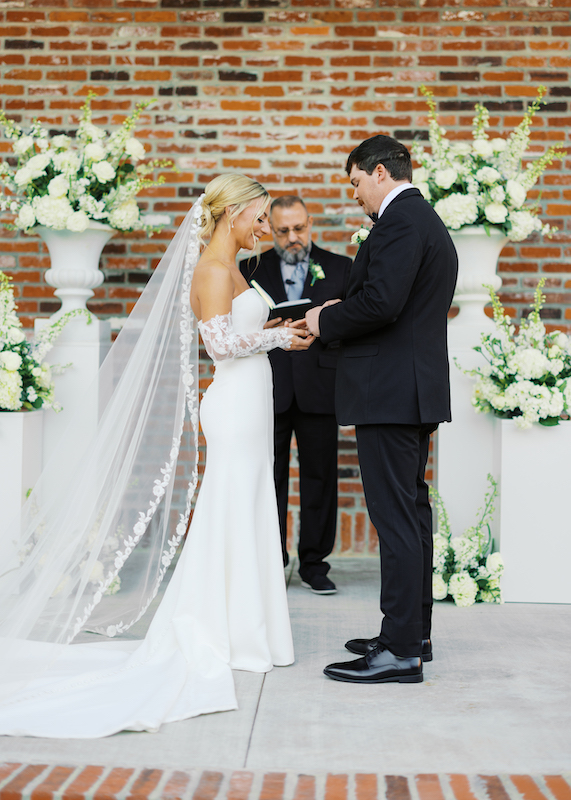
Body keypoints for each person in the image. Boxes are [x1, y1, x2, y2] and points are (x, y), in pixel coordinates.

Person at [0, 174, 313, 738]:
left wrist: (274, 327)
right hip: (234, 405)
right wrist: (278, 340)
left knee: (247, 506)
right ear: (232, 214)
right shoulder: (213, 270)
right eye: (260, 217)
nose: (265, 228)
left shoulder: (236, 270)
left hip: (250, 403)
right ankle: (229, 630)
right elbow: (218, 345)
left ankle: (250, 628)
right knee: (231, 505)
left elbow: (236, 329)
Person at [300, 134, 458, 685]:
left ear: (380, 173)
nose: (356, 195)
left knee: (396, 522)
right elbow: (400, 303)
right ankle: (413, 634)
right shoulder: (423, 221)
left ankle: (398, 650)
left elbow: (381, 304)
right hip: (410, 390)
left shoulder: (400, 223)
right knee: (412, 517)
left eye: (356, 182)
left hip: (390, 394)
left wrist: (324, 320)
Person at [241, 196, 351, 595]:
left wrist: (327, 323)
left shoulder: (341, 267)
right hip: (267, 386)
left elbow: (357, 324)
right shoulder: (249, 269)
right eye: (282, 230)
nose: (292, 238)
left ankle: (315, 564)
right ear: (270, 228)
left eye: (299, 228)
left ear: (310, 223)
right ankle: (271, 559)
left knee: (320, 478)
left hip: (320, 386)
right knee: (269, 478)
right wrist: (267, 328)